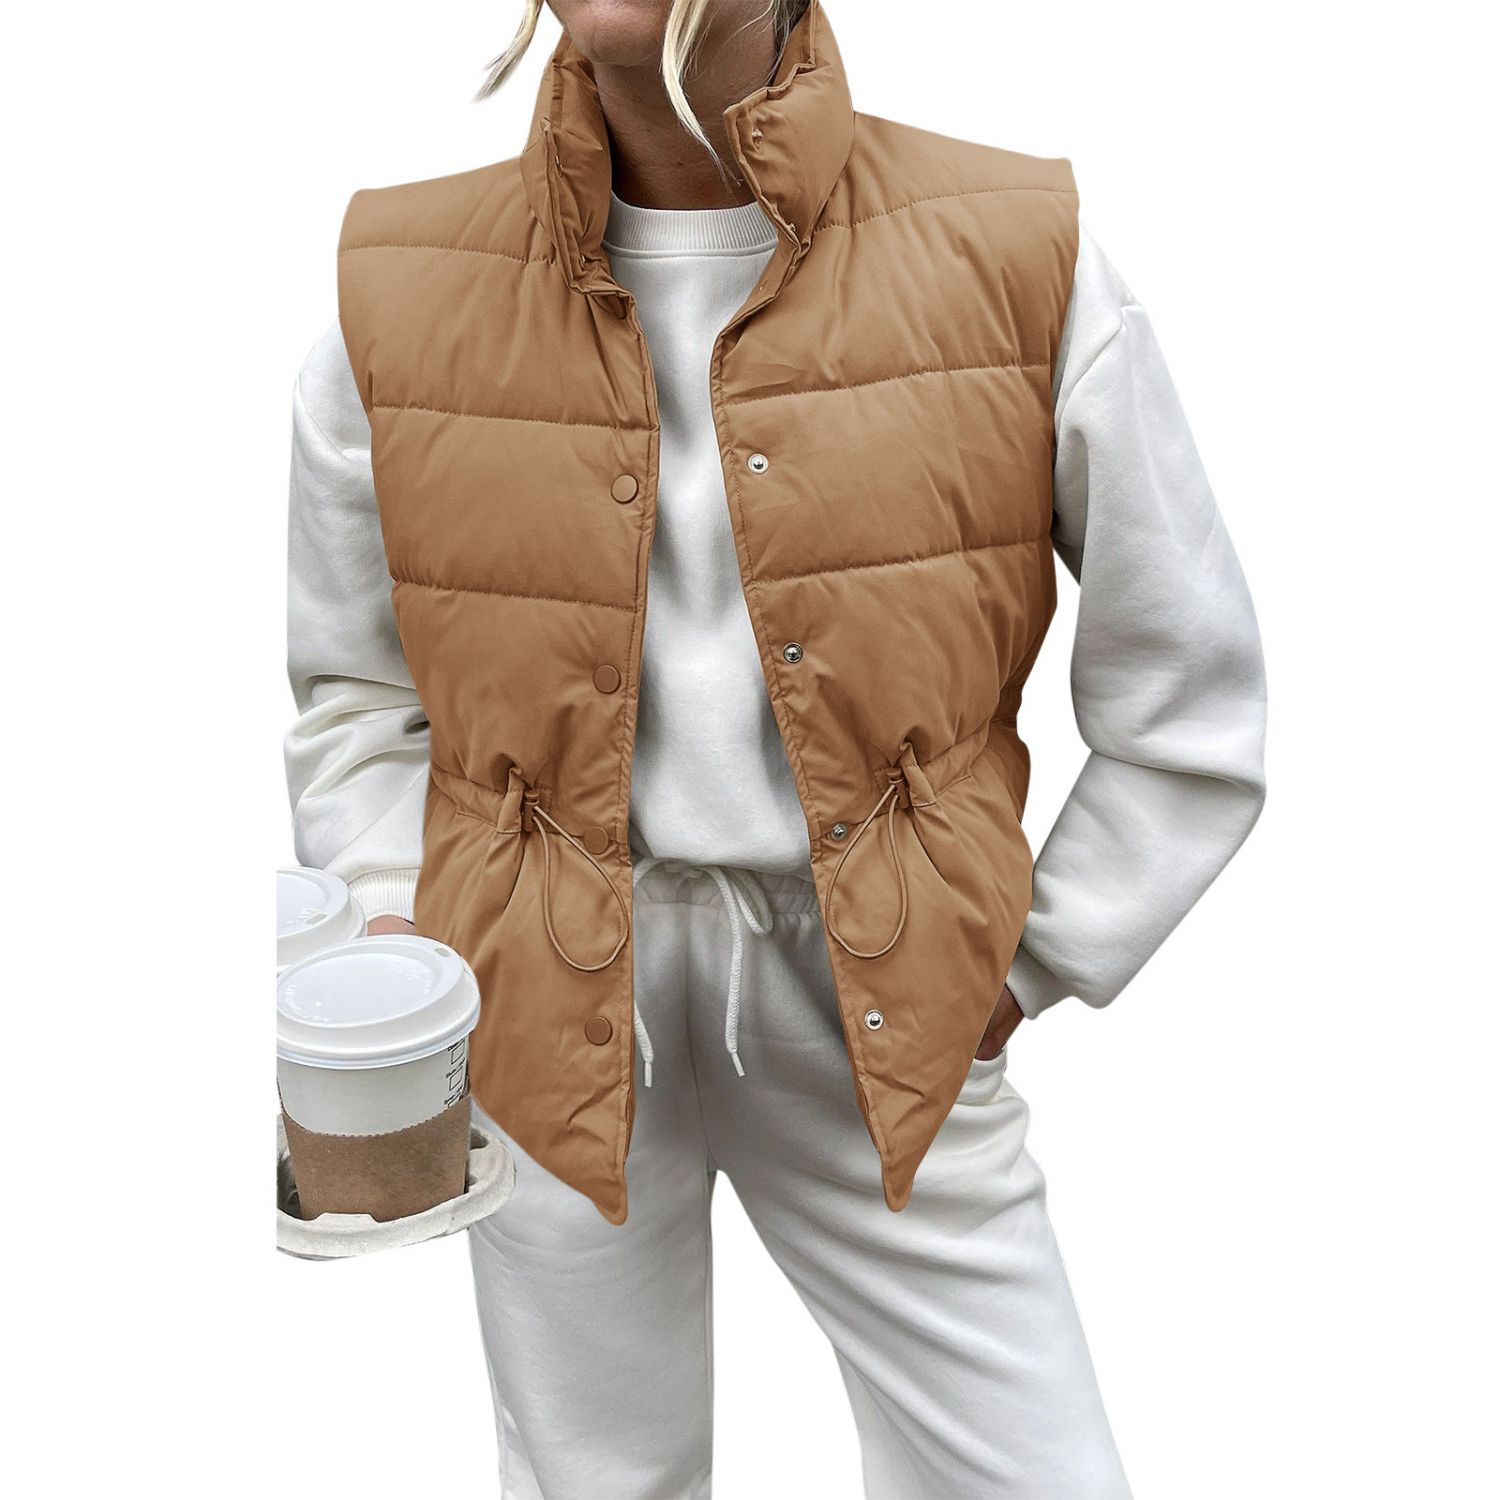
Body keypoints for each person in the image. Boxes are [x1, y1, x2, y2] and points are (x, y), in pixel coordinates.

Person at [285, 2, 1266, 1493]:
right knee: (595, 1478)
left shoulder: (1015, 251)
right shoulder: (401, 281)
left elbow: (1188, 694)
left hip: (882, 986)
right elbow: (354, 689)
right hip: (538, 988)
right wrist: (404, 942)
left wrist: (1024, 964)